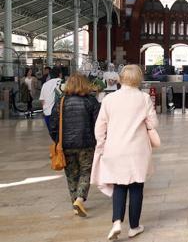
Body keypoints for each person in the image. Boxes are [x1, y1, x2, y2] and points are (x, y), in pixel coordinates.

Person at [91, 64, 158, 240]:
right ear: (139, 79)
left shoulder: (109, 99)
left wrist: (101, 144)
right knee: (136, 186)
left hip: (114, 148)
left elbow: (99, 127)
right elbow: (153, 124)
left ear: (121, 78)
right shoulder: (144, 98)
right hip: (137, 150)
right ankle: (134, 227)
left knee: (119, 185)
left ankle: (116, 222)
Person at [49, 73, 100, 217]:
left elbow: (52, 125)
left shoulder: (61, 101)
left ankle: (74, 204)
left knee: (71, 174)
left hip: (66, 145)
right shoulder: (91, 101)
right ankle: (79, 199)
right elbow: (98, 124)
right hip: (87, 143)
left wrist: (58, 140)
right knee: (86, 171)